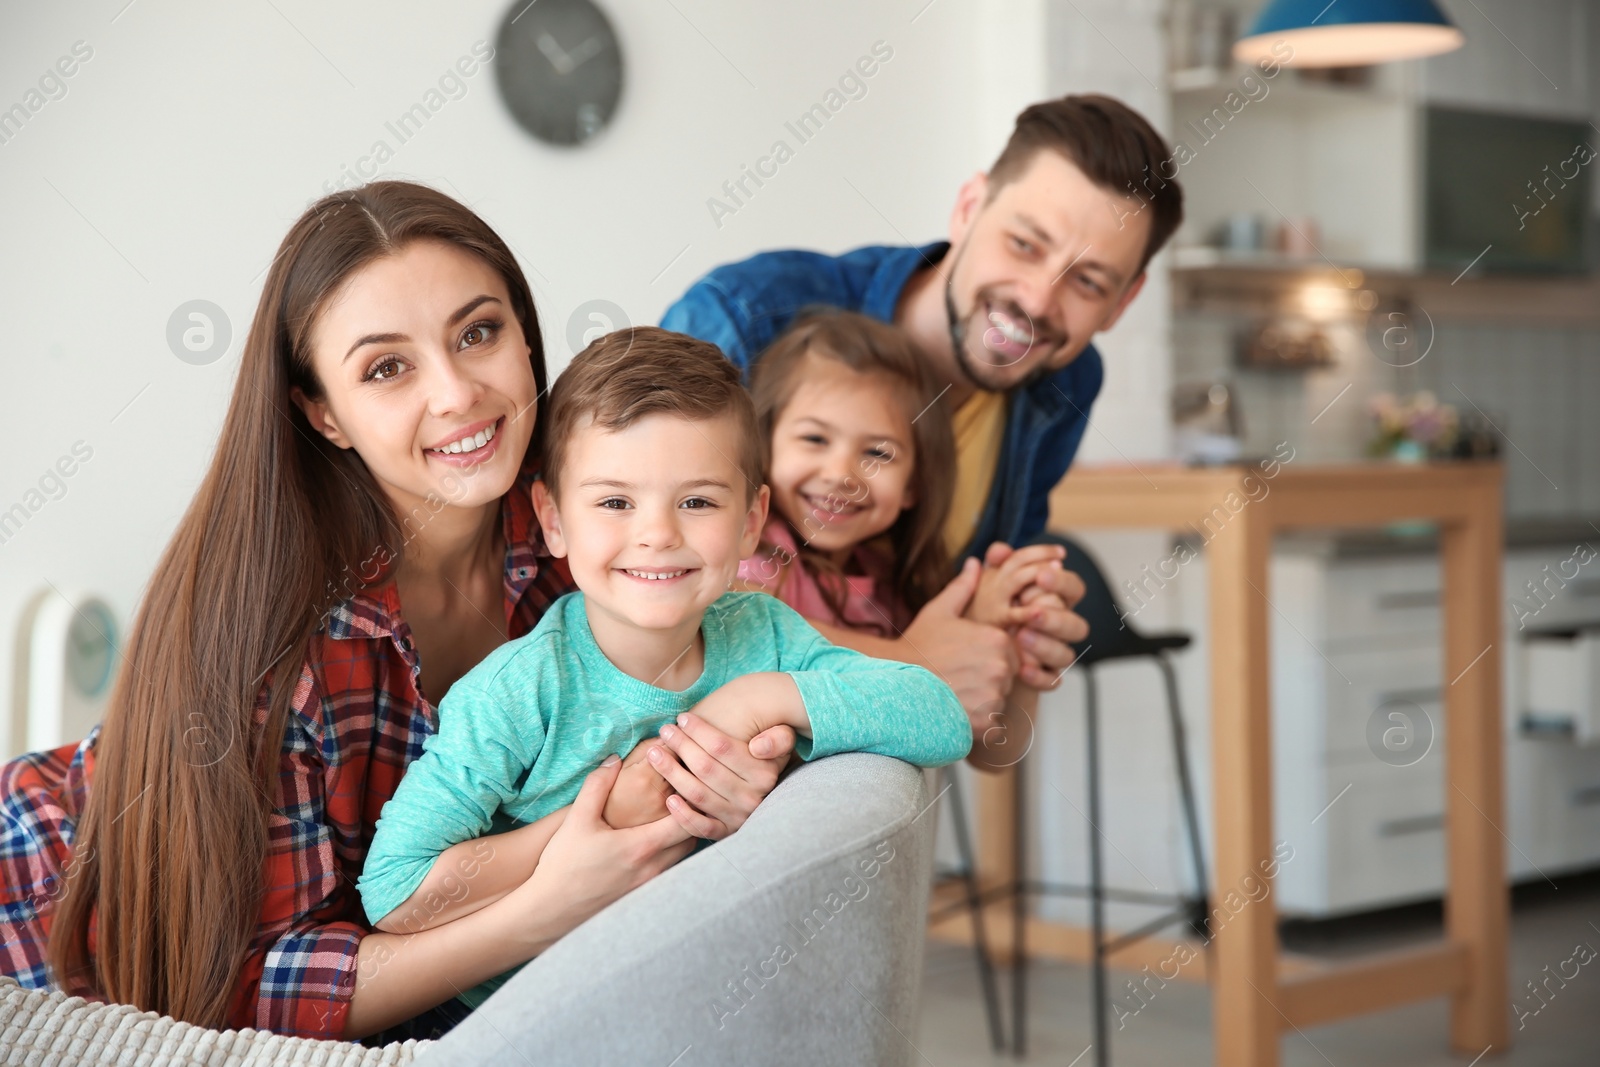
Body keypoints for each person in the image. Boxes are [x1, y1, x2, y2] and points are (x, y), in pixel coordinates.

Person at [0, 182, 797, 1043]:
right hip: (47, 916)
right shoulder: (269, 640)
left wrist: (736, 765)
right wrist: (549, 900)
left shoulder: (592, 526)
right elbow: (238, 995)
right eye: (387, 367)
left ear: (528, 341)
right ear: (323, 414)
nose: (456, 391)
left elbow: (750, 649)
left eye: (478, 331)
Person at [355, 327, 971, 1011]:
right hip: (533, 1014)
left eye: (698, 500)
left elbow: (941, 717)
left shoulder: (762, 637)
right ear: (554, 520)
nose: (659, 533)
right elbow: (396, 892)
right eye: (615, 502)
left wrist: (753, 700)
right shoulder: (521, 689)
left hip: (703, 990)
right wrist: (601, 822)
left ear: (750, 521)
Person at [663, 94, 1185, 765]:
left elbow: (991, 745)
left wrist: (1014, 649)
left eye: (1087, 281)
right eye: (1024, 244)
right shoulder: (749, 317)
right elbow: (641, 591)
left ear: (1123, 301)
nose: (1035, 302)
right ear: (969, 208)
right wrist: (907, 659)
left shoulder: (1065, 383)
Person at [736, 310, 1058, 647]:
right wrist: (910, 658)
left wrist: (992, 622)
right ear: (764, 444)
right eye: (814, 439)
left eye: (878, 453)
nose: (841, 475)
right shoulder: (753, 552)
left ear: (913, 485)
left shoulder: (889, 580)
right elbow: (751, 637)